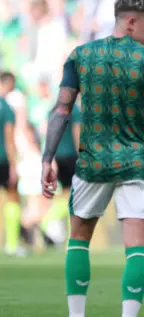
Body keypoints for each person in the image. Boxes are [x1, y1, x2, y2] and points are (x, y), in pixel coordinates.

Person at [41, 0, 144, 317]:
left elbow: (61, 110)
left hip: (93, 163)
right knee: (136, 247)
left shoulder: (81, 55)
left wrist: (47, 158)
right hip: (136, 163)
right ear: (130, 22)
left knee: (78, 240)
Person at [41, 103, 81, 245]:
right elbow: (77, 133)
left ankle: (70, 235)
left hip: (57, 156)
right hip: (71, 156)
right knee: (73, 197)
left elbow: (49, 134)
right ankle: (48, 220)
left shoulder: (53, 109)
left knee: (67, 194)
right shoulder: (74, 109)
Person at [0, 74, 21, 256]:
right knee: (13, 198)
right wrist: (14, 165)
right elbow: (9, 139)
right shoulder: (7, 109)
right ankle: (12, 244)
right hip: (2, 159)